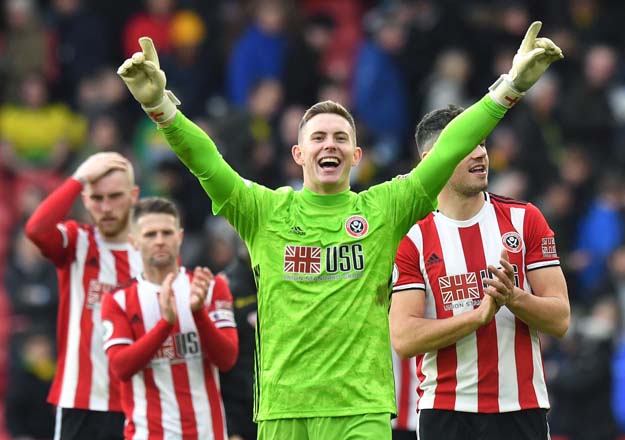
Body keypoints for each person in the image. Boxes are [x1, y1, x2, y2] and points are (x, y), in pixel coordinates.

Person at [117, 21, 562, 439]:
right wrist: (160, 109)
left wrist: (510, 87)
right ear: (298, 153)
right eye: (318, 137)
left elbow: (448, 150)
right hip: (282, 408)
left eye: (340, 138)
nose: (329, 144)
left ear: (356, 155)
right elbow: (206, 163)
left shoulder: (384, 208)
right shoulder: (264, 211)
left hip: (360, 409)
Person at [389, 104, 571, 440]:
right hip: (446, 412)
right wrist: (477, 317)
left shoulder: (525, 219)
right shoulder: (412, 237)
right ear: (432, 160)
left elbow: (560, 319)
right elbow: (403, 338)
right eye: (466, 145)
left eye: (482, 143)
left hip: (522, 408)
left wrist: (513, 297)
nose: (480, 154)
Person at [101, 196, 239, 439]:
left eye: (167, 232)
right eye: (150, 234)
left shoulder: (209, 287)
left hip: (207, 433)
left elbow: (227, 359)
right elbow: (121, 367)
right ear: (134, 241)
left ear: (180, 236)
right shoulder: (118, 300)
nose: (160, 241)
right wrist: (165, 324)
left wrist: (198, 314)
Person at [24, 151, 140, 440]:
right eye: (97, 198)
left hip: (137, 402)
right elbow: (36, 229)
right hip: (81, 401)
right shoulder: (79, 242)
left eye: (115, 196)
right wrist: (78, 178)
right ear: (85, 200)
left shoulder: (151, 254)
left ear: (134, 195)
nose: (106, 207)